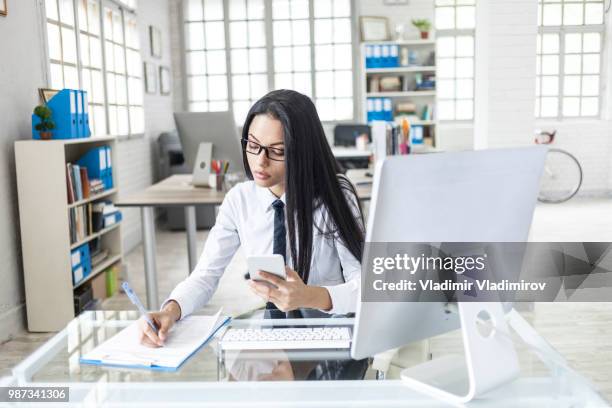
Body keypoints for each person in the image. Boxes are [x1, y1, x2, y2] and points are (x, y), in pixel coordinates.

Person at [138, 89, 364, 347]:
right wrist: (170, 310)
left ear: (303, 150)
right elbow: (206, 275)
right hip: (274, 335)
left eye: (277, 151)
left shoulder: (336, 195)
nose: (260, 162)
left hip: (334, 333)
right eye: (253, 146)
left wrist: (309, 296)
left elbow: (366, 288)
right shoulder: (239, 199)